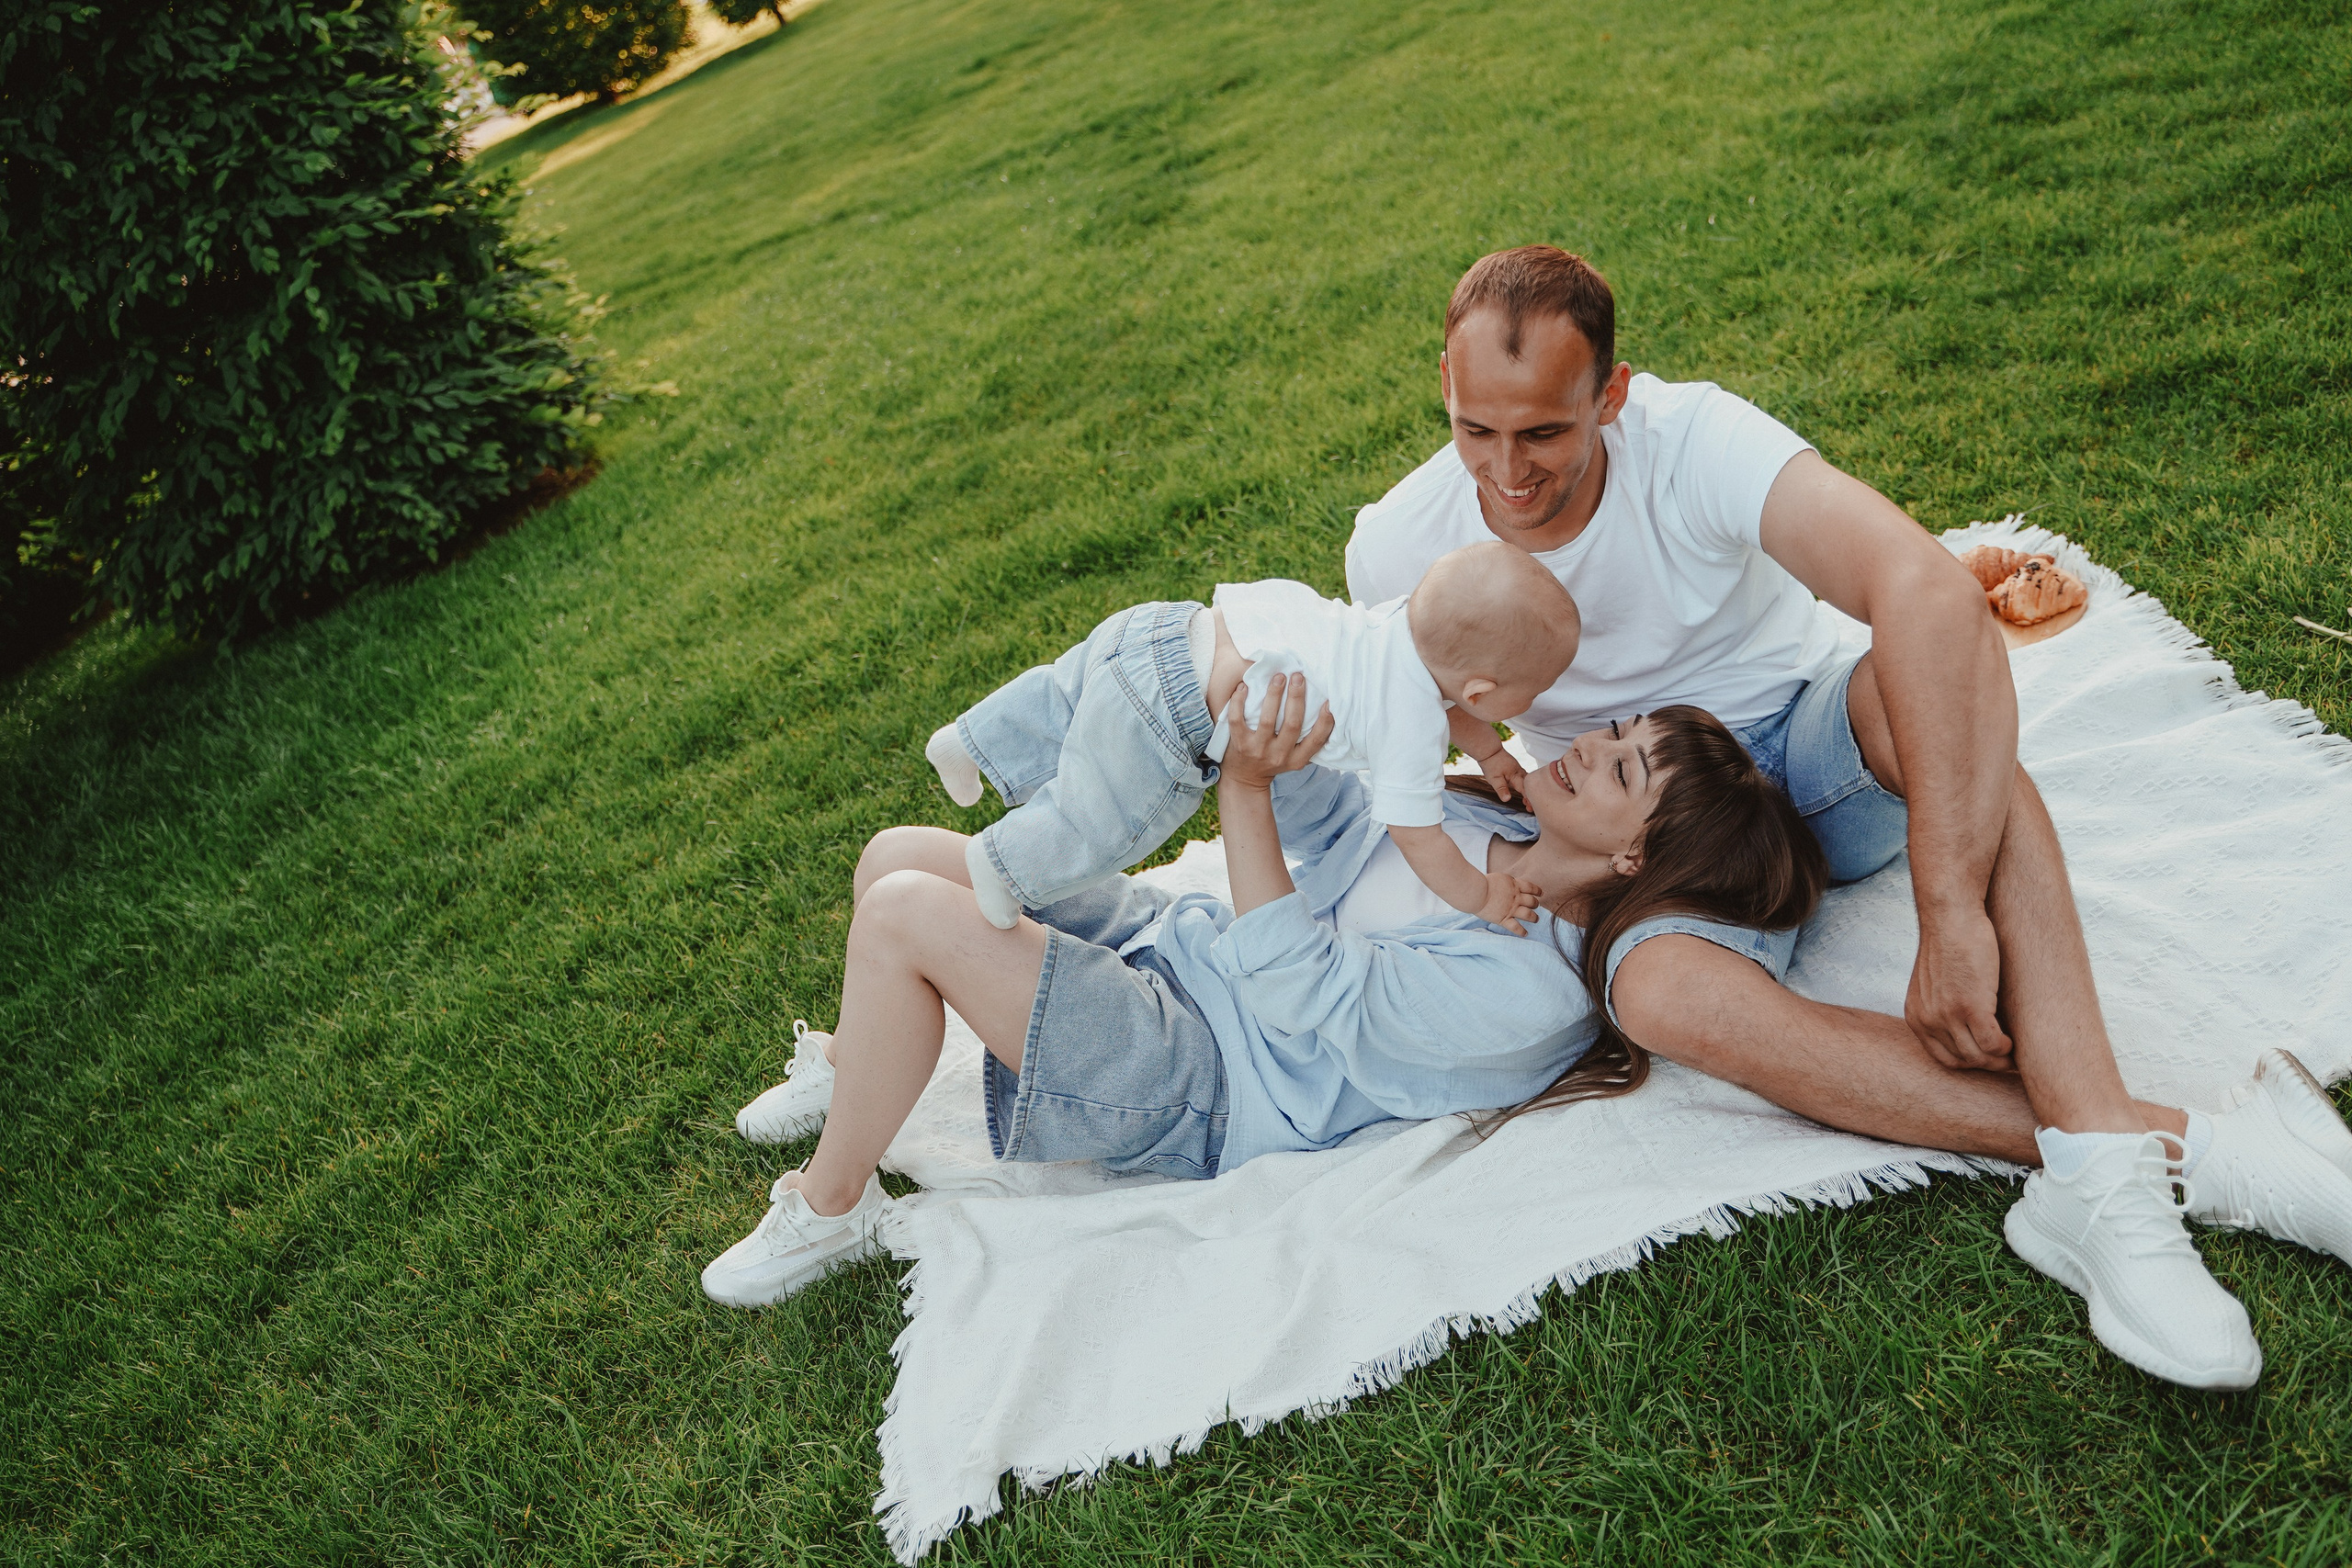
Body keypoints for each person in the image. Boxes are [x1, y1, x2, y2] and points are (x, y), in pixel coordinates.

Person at [1343, 243, 2352, 1389]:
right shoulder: (1398, 544)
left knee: (1949, 713)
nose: (1507, 474)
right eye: (1477, 431)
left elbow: (1919, 583)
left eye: (1544, 434)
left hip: (1802, 756)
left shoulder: (1694, 440)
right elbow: (1399, 730)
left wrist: (1949, 906)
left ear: (1609, 396)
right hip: (1662, 831)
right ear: (1443, 385)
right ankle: (2176, 1152)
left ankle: (2110, 1191)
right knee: (1657, 992)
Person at [702, 681, 1823, 1308]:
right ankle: (862, 1069)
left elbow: (1298, 987)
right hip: (1177, 952)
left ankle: (833, 1208)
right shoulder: (1491, 822)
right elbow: (1335, 828)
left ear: (1637, 860)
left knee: (907, 912)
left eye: (1621, 770)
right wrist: (1288, 741)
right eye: (1620, 735)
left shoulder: (1531, 991)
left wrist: (1241, 791)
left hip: (1199, 1081)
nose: (1588, 749)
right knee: (900, 852)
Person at [922, 542, 1578, 936]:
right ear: (1484, 691)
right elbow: (1419, 835)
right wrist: (1483, 893)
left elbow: (1454, 702)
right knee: (1101, 818)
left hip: (1169, 631)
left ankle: (973, 740)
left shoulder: (1402, 627)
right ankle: (1005, 864)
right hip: (1175, 714)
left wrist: (1491, 752)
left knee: (1063, 695)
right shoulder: (1409, 723)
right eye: (1534, 690)